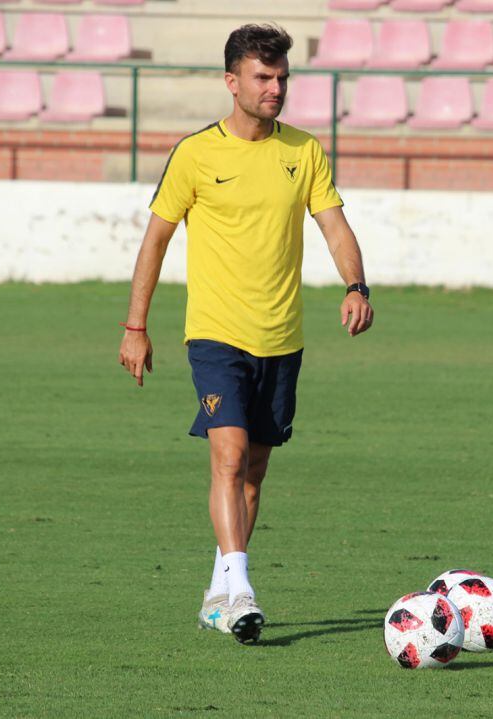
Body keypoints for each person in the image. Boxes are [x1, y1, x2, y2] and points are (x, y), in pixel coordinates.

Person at [117, 23, 372, 644]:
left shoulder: (304, 151)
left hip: (282, 337)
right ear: (232, 82)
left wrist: (356, 286)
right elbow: (155, 240)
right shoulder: (196, 154)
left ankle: (218, 592)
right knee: (227, 456)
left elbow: (334, 226)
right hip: (215, 335)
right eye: (263, 77)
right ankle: (243, 590)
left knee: (254, 471)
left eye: (282, 76)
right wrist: (135, 326)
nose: (275, 88)